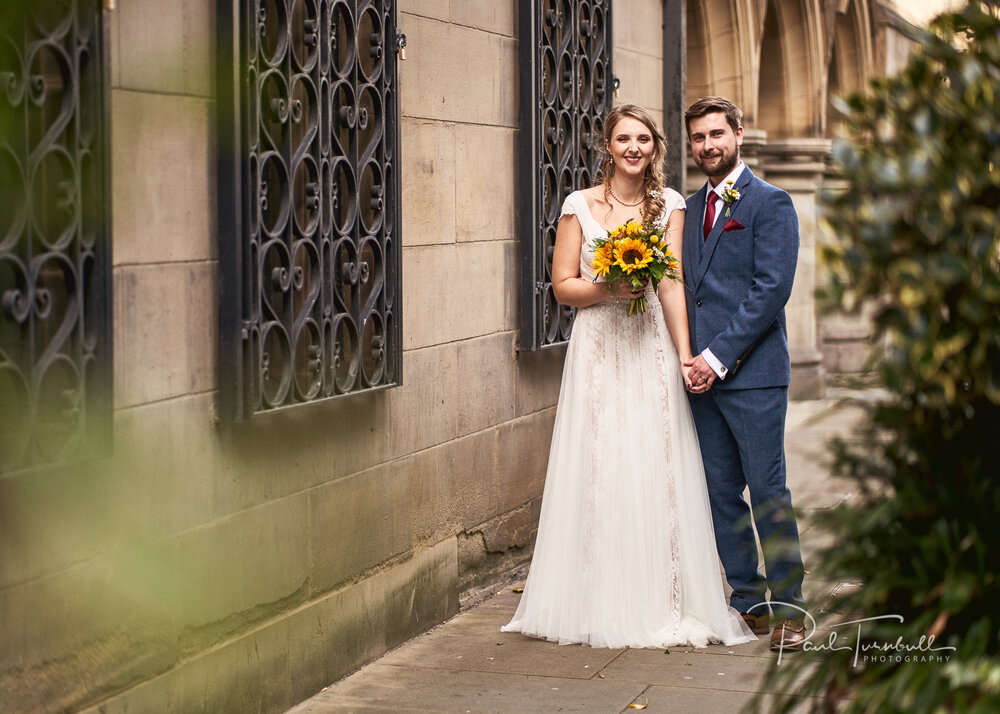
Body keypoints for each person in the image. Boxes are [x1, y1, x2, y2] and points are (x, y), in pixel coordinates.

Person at [501, 104, 753, 649]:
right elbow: (562, 285)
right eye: (623, 139)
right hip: (597, 346)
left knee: (653, 461)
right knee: (600, 462)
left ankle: (661, 598)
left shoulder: (670, 206)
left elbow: (672, 284)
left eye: (643, 139)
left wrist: (687, 356)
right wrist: (607, 290)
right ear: (607, 146)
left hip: (650, 349)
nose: (633, 148)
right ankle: (595, 597)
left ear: (655, 147)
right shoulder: (579, 207)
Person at [681, 96, 808, 651]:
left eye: (716, 134)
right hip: (698, 377)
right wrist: (689, 358)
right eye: (698, 138)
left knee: (768, 490)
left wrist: (715, 357)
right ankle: (748, 601)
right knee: (720, 491)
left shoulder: (771, 203)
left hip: (751, 375)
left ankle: (793, 611)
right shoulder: (685, 208)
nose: (708, 146)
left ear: (738, 134)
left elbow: (770, 291)